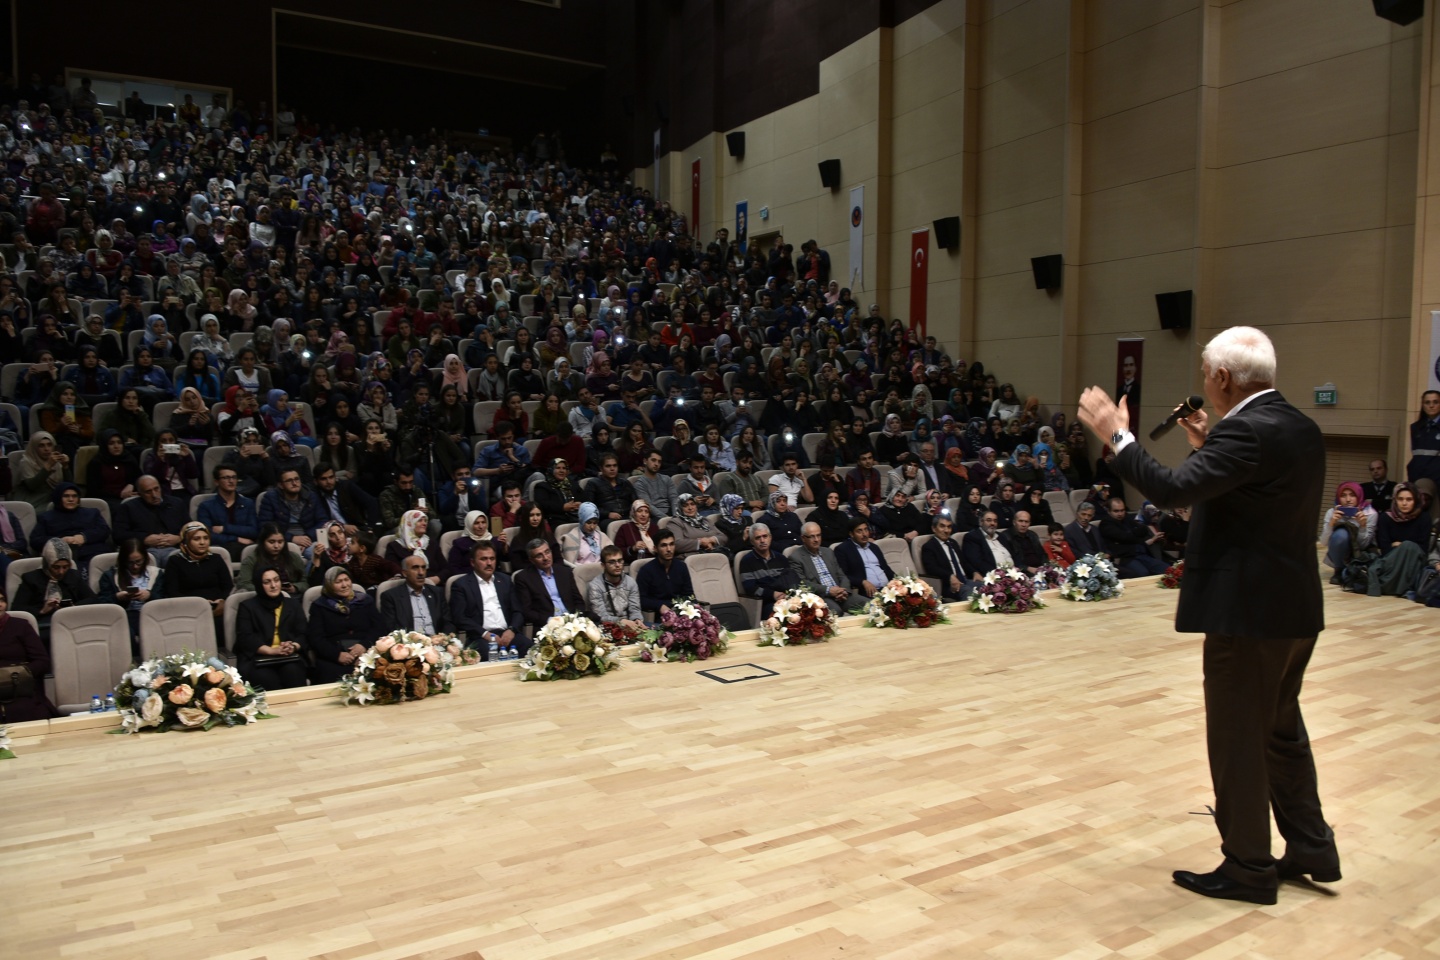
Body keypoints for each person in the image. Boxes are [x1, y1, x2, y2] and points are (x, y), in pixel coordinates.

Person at [1077, 324, 1337, 904]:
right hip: (1292, 611)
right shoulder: (1297, 424)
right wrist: (1205, 446)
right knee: (1280, 733)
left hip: (1247, 617)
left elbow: (1169, 492)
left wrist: (1118, 437)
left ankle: (1248, 867)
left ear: (1221, 378)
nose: (1203, 384)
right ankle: (1311, 847)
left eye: (1203, 375)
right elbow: (1255, 495)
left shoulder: (1243, 431)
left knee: (1239, 741)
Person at [234, 567, 310, 691]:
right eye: (267, 582)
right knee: (266, 678)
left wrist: (294, 646)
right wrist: (271, 651)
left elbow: (304, 633)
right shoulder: (247, 607)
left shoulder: (293, 604)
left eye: (276, 580)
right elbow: (245, 638)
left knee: (293, 672)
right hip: (258, 658)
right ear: (259, 585)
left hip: (289, 657)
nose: (273, 585)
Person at [307, 566, 384, 684]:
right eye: (338, 582)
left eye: (346, 580)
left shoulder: (365, 600)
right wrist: (337, 655)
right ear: (328, 585)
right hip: (333, 657)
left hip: (366, 652)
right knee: (328, 673)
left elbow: (379, 628)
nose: (344, 585)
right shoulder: (319, 606)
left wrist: (364, 646)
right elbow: (316, 639)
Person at [449, 540, 525, 658]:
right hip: (481, 637)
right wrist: (484, 633)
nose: (489, 563)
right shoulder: (461, 585)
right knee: (485, 654)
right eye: (483, 559)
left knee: (530, 649)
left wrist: (512, 630)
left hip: (507, 634)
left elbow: (518, 611)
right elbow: (460, 617)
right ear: (473, 562)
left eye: (492, 559)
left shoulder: (505, 580)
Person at [158, 523, 233, 637]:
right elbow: (172, 592)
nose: (202, 542)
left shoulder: (216, 559)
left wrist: (222, 600)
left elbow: (228, 586)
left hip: (218, 609)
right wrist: (198, 603)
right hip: (188, 610)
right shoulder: (175, 562)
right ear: (186, 541)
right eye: (196, 539)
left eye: (206, 538)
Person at [0, 592, 60, 722]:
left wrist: (15, 674)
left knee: (23, 711)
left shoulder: (20, 626)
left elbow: (42, 661)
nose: (0, 605)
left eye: (2, 600)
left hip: (20, 690)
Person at [1365, 482, 1431, 596]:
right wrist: (1403, 548)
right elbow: (1385, 548)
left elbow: (1423, 548)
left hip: (1415, 560)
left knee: (1408, 546)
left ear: (1416, 500)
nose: (1404, 503)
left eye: (1409, 499)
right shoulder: (1386, 517)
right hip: (1391, 561)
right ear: (1395, 500)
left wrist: (1401, 545)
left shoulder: (1424, 517)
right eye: (1400, 499)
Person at [790, 521, 867, 614]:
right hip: (821, 596)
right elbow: (803, 583)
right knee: (836, 612)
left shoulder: (828, 552)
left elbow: (841, 575)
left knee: (869, 604)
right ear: (803, 538)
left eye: (818, 535)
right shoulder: (796, 557)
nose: (816, 539)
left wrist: (843, 590)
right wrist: (828, 590)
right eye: (812, 536)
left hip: (841, 593)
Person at [29, 482, 110, 568]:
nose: (71, 499)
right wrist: (60, 541)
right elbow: (35, 540)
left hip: (92, 553)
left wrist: (84, 537)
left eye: (74, 496)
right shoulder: (46, 517)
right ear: (58, 498)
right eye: (66, 496)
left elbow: (104, 530)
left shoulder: (92, 513)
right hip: (61, 558)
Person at [113, 475, 188, 565]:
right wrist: (144, 539)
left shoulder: (176, 503)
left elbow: (191, 528)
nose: (154, 495)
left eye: (156, 489)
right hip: (145, 551)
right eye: (148, 492)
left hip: (175, 548)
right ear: (139, 493)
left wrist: (179, 538)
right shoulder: (128, 507)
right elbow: (118, 535)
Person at [513, 538, 584, 630]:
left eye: (547, 552)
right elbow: (527, 612)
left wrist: (575, 618)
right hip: (547, 626)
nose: (545, 558)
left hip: (573, 622)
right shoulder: (523, 578)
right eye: (539, 556)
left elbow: (578, 601)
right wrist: (551, 621)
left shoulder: (565, 572)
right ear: (531, 560)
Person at [738, 523, 801, 620]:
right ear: (752, 541)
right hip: (764, 603)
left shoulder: (781, 558)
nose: (762, 540)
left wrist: (785, 594)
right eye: (758, 538)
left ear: (770, 537)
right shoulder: (746, 561)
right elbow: (750, 588)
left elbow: (790, 580)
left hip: (786, 598)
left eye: (765, 536)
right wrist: (772, 594)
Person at [199, 464, 261, 560]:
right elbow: (206, 535)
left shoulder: (248, 503)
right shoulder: (206, 506)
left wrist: (224, 529)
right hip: (221, 548)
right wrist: (237, 539)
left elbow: (253, 531)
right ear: (216, 482)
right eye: (226, 478)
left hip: (245, 548)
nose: (231, 481)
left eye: (234, 477)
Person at [379, 555, 452, 635]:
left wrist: (443, 639)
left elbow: (448, 622)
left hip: (437, 643)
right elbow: (390, 628)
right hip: (410, 645)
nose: (421, 573)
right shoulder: (391, 596)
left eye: (423, 568)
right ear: (404, 573)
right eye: (415, 568)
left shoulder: (437, 593)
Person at [1098, 497, 1168, 578]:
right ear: (1109, 511)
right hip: (1124, 557)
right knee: (1143, 574)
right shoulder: (1106, 523)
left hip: (1141, 553)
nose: (1120, 514)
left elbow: (1143, 529)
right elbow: (1124, 537)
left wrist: (1130, 535)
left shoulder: (1127, 518)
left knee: (1166, 569)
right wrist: (1132, 535)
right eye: (1116, 511)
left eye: (1122, 510)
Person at [1322, 482, 1377, 583]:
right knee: (1341, 534)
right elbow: (1323, 542)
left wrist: (1362, 526)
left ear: (1359, 496)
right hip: (1339, 554)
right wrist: (1331, 523)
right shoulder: (1332, 512)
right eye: (1343, 495)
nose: (1348, 500)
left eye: (1352, 495)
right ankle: (1338, 570)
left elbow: (1364, 545)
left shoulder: (1370, 514)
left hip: (1359, 554)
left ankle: (1352, 570)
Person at [833, 518, 896, 599]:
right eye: (859, 531)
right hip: (867, 593)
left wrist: (899, 581)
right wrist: (862, 582)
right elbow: (843, 575)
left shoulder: (874, 547)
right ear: (851, 534)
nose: (864, 534)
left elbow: (886, 569)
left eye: (866, 530)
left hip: (888, 590)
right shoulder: (842, 550)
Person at [636, 530, 695, 616]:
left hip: (682, 614)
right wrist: (659, 606)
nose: (669, 549)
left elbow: (689, 595)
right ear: (655, 548)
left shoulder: (682, 567)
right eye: (664, 545)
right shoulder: (646, 571)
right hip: (658, 616)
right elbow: (641, 599)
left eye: (671, 544)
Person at [587, 544, 645, 629]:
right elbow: (601, 616)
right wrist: (620, 621)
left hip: (630, 626)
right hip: (607, 628)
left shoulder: (630, 582)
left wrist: (637, 619)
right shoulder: (595, 586)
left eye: (620, 560)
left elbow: (635, 608)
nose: (617, 565)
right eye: (612, 562)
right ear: (603, 565)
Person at [920, 515, 974, 601]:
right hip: (947, 585)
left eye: (949, 527)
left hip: (965, 580)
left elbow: (964, 563)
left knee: (984, 586)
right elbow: (932, 568)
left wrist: (974, 572)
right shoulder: (929, 547)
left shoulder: (953, 543)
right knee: (967, 591)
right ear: (934, 528)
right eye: (942, 526)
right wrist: (949, 576)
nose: (946, 530)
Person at [13, 431, 70, 512]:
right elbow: (32, 486)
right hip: (32, 502)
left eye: (49, 445)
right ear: (35, 447)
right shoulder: (26, 462)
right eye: (41, 445)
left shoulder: (57, 463)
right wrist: (47, 467)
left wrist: (65, 467)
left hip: (52, 501)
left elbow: (69, 486)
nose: (46, 449)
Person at [384, 509, 445, 584]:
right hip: (407, 586)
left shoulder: (432, 543)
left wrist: (437, 578)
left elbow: (446, 569)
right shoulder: (394, 546)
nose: (424, 523)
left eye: (425, 520)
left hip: (434, 586)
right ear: (409, 523)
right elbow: (393, 572)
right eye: (419, 520)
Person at [961, 509, 1012, 580]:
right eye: (989, 520)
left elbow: (1014, 555)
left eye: (995, 521)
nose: (992, 523)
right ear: (981, 522)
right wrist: (1000, 575)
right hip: (993, 577)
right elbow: (977, 562)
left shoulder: (1002, 536)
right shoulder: (973, 537)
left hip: (1013, 574)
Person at [1407, 391, 1440, 488]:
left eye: (1435, 402)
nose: (1431, 406)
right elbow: (1416, 456)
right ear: (1423, 405)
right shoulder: (1415, 428)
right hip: (1418, 480)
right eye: (1427, 402)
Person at [1000, 509, 1046, 574]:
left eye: (1026, 522)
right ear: (1014, 522)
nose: (1023, 524)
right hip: (1021, 572)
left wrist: (1045, 566)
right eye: (1020, 521)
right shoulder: (1005, 536)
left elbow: (1042, 555)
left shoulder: (1032, 535)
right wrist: (1027, 568)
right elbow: (1010, 560)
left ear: (1030, 524)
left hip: (1039, 569)